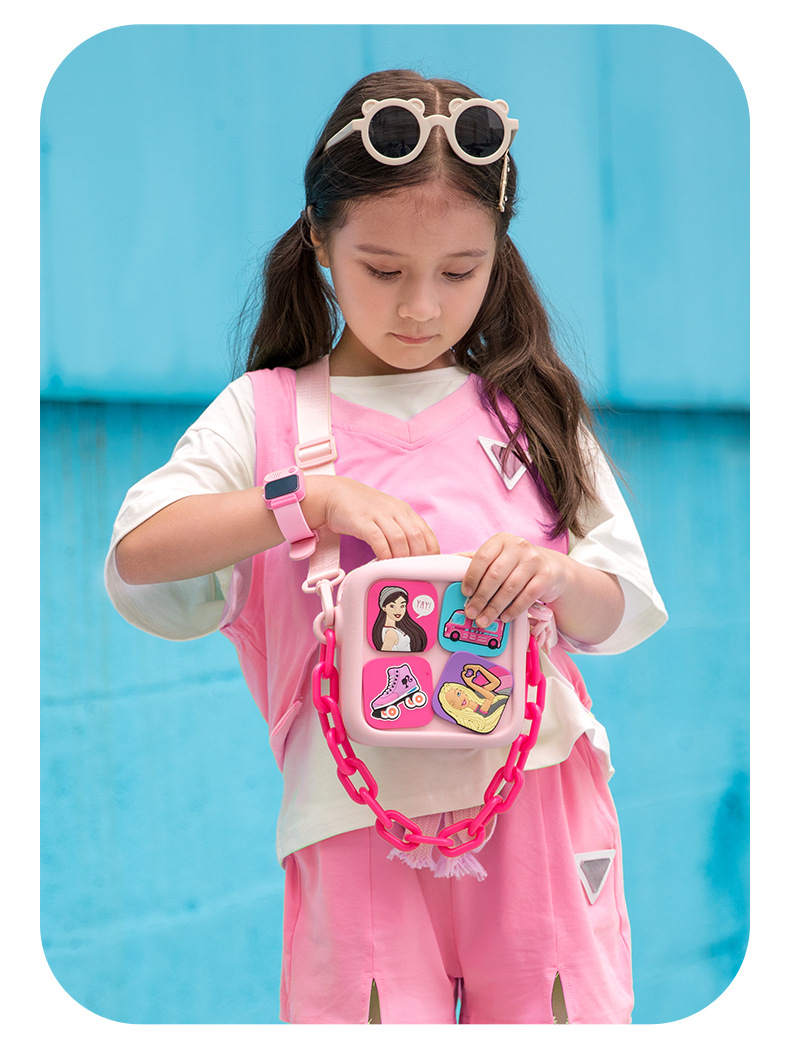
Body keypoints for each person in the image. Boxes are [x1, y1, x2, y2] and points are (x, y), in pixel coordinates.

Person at [106, 68, 667, 1025]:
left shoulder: (531, 409)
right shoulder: (264, 414)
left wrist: (555, 575)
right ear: (319, 240)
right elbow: (140, 552)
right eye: (382, 269)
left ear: (498, 255)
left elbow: (619, 606)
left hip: (538, 799)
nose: (420, 309)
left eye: (459, 271)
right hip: (349, 812)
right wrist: (308, 501)